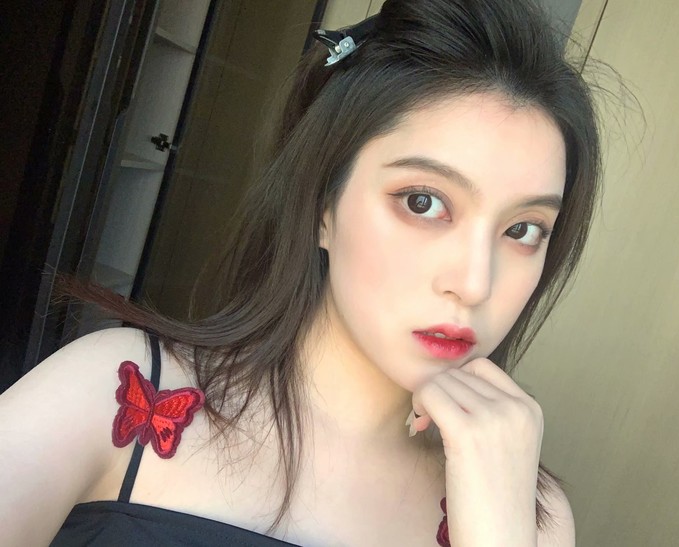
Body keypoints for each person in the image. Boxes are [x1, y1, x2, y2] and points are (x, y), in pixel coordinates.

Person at [0, 0, 601, 545]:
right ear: (322, 206)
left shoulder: (533, 516)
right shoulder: (112, 396)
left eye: (524, 230)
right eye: (423, 202)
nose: (473, 284)